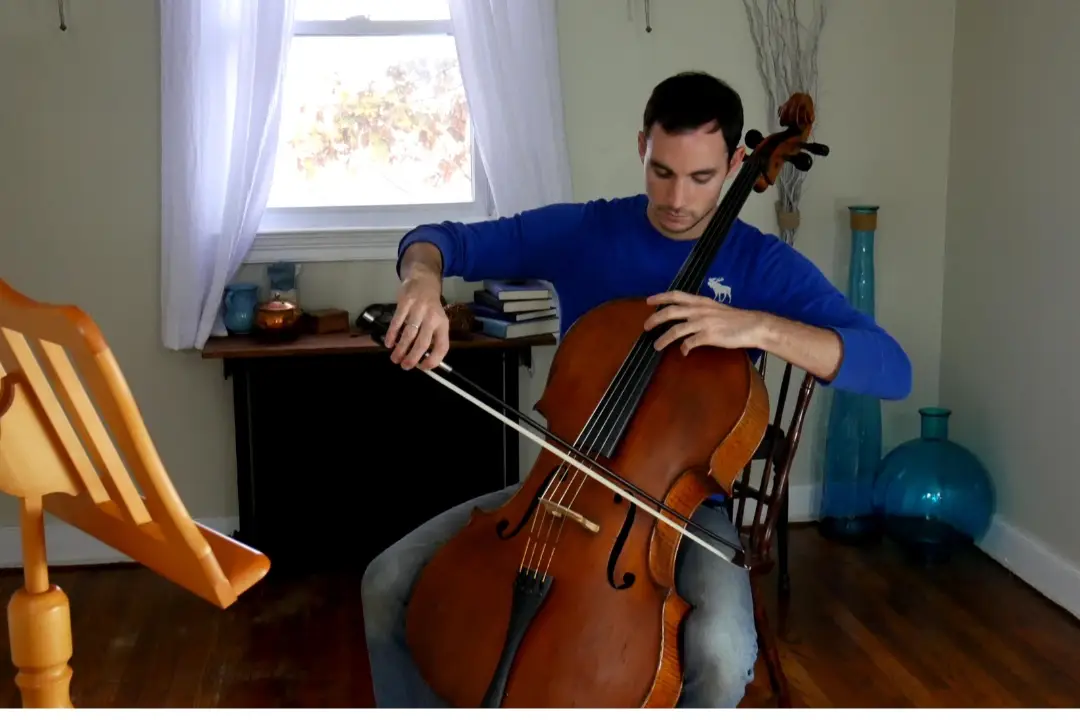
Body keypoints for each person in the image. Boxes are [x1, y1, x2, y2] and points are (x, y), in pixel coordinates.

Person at [360, 71, 911, 708]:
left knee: (723, 653)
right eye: (662, 171)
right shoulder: (587, 232)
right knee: (385, 583)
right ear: (641, 147)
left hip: (682, 511)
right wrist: (421, 282)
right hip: (560, 484)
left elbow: (891, 368)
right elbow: (440, 242)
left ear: (736, 163)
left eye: (702, 178)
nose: (677, 199)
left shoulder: (761, 265)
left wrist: (757, 326)